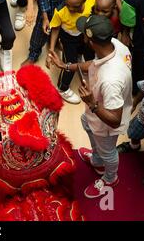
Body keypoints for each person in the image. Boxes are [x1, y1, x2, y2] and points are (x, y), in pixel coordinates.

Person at [48, 15, 132, 199]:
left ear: (90, 41)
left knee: (108, 151)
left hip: (105, 124)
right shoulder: (116, 46)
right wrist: (66, 65)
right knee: (85, 123)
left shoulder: (111, 79)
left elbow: (115, 119)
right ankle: (97, 160)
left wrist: (91, 103)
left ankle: (110, 177)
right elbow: (93, 64)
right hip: (95, 112)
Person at [46, 0, 96, 104]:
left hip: (84, 34)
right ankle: (62, 88)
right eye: (69, 5)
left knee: (89, 53)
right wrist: (51, 49)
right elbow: (56, 28)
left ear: (84, 0)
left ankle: (83, 62)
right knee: (70, 63)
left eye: (76, 6)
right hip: (68, 38)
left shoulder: (92, 0)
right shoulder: (60, 11)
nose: (72, 9)